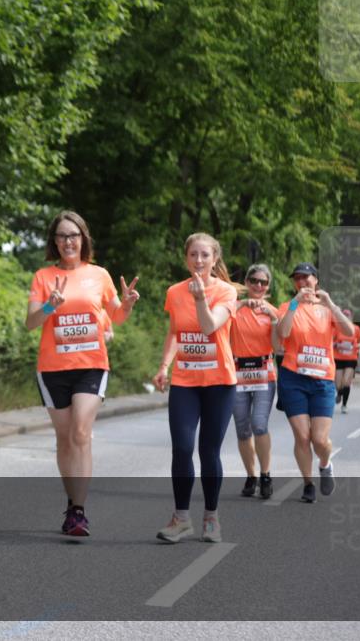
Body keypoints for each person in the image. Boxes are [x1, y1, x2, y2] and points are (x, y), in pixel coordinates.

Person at [25, 211, 139, 536]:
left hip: (91, 365)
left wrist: (127, 303)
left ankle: (78, 511)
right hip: (52, 369)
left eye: (73, 235)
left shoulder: (99, 275)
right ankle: (71, 500)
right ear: (54, 242)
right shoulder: (43, 276)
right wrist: (49, 306)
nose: (68, 241)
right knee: (64, 439)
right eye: (61, 236)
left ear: (83, 239)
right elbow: (31, 322)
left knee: (79, 432)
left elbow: (116, 317)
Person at [152, 233, 237, 543]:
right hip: (185, 381)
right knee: (183, 448)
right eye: (193, 255)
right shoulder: (174, 292)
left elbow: (208, 326)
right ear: (185, 258)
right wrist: (164, 366)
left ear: (214, 259)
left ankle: (211, 517)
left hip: (219, 383)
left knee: (209, 451)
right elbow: (175, 331)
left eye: (205, 255)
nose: (199, 261)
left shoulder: (226, 292)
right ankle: (181, 519)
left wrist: (201, 298)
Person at [276, 263, 354, 503]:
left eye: (306, 278)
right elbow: (283, 334)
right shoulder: (287, 306)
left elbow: (349, 331)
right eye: (297, 279)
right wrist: (294, 304)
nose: (301, 282)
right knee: (302, 436)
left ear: (316, 280)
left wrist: (330, 304)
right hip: (293, 378)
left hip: (322, 381)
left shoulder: (327, 308)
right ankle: (308, 484)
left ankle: (325, 463)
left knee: (319, 440)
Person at [229, 264, 280, 500]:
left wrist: (273, 320)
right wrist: (240, 304)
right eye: (254, 281)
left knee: (259, 424)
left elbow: (278, 347)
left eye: (263, 282)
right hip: (238, 372)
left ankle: (266, 474)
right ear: (247, 283)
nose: (259, 286)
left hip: (263, 374)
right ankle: (251, 476)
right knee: (242, 429)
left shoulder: (273, 311)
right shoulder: (235, 307)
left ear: (268, 286)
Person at [332, 309, 360, 413]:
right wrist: (335, 344)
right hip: (338, 358)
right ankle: (339, 393)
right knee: (338, 384)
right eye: (344, 315)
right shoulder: (337, 328)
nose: (346, 316)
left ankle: (344, 405)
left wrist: (355, 346)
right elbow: (331, 341)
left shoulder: (356, 328)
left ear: (351, 317)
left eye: (347, 315)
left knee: (346, 382)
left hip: (351, 358)